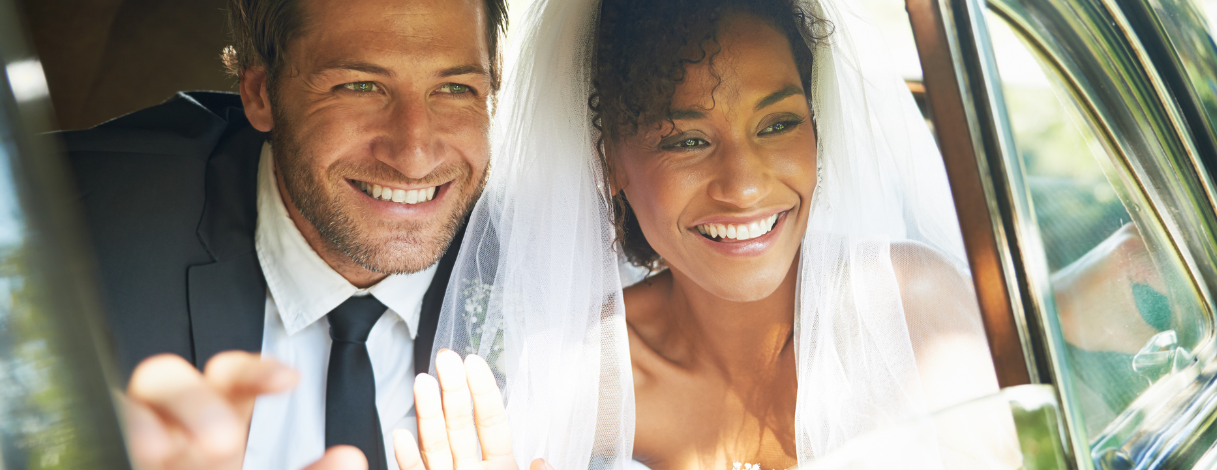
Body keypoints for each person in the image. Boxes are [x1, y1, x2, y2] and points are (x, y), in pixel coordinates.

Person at [408, 0, 1024, 468]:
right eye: (687, 141)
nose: (744, 186)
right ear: (610, 163)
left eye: (778, 124)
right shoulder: (576, 374)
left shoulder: (913, 308)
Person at [57, 0, 509, 468]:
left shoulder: (547, 272)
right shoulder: (69, 229)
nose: (414, 157)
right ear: (260, 94)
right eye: (360, 86)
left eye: (455, 88)